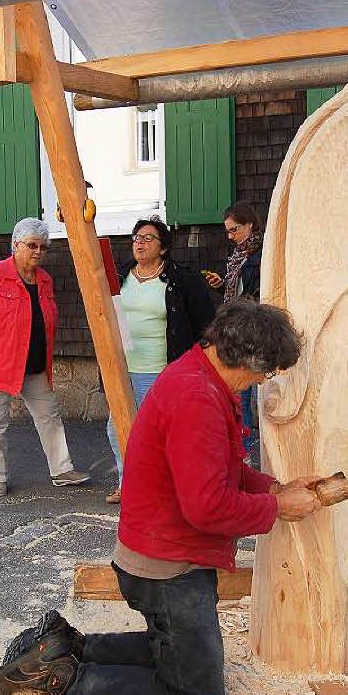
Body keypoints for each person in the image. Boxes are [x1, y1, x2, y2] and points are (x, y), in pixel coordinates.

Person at [0, 300, 323, 695]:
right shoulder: (196, 399)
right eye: (267, 371)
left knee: (175, 647)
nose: (263, 381)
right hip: (167, 568)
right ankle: (63, 677)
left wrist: (273, 488)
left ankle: (69, 644)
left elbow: (224, 467)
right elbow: (208, 506)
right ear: (250, 359)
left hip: (161, 554)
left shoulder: (201, 373)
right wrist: (277, 507)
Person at [0, 217, 90, 497]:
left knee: (50, 417)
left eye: (43, 247)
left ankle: (62, 470)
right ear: (16, 245)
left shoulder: (45, 280)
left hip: (36, 366)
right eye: (32, 245)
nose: (38, 252)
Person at [104, 215, 215, 504]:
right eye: (136, 238)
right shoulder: (121, 275)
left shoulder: (181, 279)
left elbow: (205, 321)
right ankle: (127, 484)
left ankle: (168, 486)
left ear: (163, 247)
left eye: (147, 238)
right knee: (117, 428)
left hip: (162, 368)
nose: (139, 243)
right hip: (124, 366)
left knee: (160, 431)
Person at [206, 203, 263, 459]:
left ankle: (248, 454)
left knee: (246, 390)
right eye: (227, 231)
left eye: (234, 230)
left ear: (249, 225)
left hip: (253, 331)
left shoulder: (260, 255)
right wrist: (221, 285)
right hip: (238, 329)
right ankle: (244, 453)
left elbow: (255, 296)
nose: (230, 236)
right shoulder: (238, 257)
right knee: (240, 393)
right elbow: (237, 293)